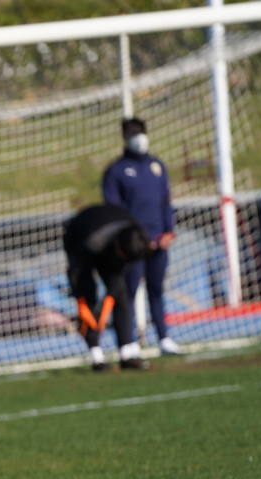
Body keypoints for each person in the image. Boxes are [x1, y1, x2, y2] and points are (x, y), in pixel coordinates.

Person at [102, 117, 180, 356]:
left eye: (140, 132)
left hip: (160, 240)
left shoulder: (157, 166)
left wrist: (168, 231)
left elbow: (166, 201)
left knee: (157, 290)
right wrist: (138, 238)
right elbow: (115, 210)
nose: (138, 138)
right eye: (133, 133)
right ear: (125, 137)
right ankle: (129, 342)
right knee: (129, 291)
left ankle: (164, 338)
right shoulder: (116, 171)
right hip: (134, 245)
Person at [63, 203, 153, 372]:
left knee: (121, 296)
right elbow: (75, 272)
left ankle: (127, 353)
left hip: (108, 236)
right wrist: (81, 301)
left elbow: (116, 281)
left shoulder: (137, 236)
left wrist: (108, 302)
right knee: (89, 298)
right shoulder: (92, 242)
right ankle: (96, 357)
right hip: (78, 239)